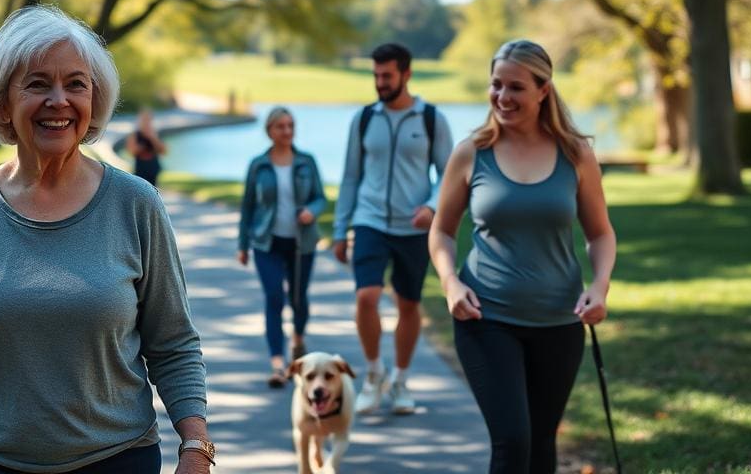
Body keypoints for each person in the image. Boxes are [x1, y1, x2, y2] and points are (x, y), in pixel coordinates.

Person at [0, 5, 214, 474]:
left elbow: (173, 343)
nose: (59, 100)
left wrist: (196, 448)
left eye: (76, 84)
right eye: (38, 84)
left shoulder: (137, 204)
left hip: (116, 461)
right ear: (2, 104)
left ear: (93, 100)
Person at [429, 39, 617, 473]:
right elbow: (441, 230)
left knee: (541, 445)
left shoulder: (576, 155)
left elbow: (601, 234)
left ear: (543, 90)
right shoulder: (471, 152)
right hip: (486, 318)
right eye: (496, 85)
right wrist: (450, 283)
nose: (502, 97)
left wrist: (599, 287)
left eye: (515, 87)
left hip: (559, 321)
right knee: (513, 441)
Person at [333, 43, 453, 415]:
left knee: (409, 303)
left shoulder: (431, 118)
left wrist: (432, 207)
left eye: (386, 76)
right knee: (366, 297)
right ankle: (373, 373)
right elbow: (351, 176)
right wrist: (341, 228)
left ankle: (400, 379)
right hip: (370, 220)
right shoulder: (365, 119)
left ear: (406, 74)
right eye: (376, 76)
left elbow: (448, 173)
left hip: (413, 228)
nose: (380, 83)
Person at [238, 107, 326, 388]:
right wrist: (243, 244)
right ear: (270, 131)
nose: (287, 131)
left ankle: (298, 339)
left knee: (299, 298)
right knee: (274, 297)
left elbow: (320, 197)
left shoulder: (306, 162)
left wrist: (312, 210)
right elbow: (248, 206)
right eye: (281, 127)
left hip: (302, 243)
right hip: (267, 242)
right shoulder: (259, 165)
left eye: (290, 126)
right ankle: (278, 364)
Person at [125, 108, 167, 186]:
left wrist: (152, 138)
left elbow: (164, 151)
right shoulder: (135, 135)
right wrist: (141, 147)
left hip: (153, 167)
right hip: (141, 168)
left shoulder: (155, 134)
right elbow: (131, 151)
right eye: (144, 120)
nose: (146, 122)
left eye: (148, 120)